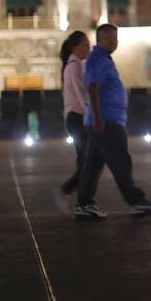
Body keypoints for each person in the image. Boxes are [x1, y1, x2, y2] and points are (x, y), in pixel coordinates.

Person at [75, 24, 151, 220]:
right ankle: (136, 201)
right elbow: (92, 88)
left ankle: (84, 203)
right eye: (111, 39)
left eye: (116, 38)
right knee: (121, 161)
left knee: (93, 165)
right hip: (107, 121)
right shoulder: (98, 59)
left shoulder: (102, 59)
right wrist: (98, 118)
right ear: (100, 40)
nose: (115, 43)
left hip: (103, 121)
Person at [52, 30, 90, 214]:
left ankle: (84, 202)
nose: (88, 48)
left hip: (75, 118)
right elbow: (81, 93)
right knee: (89, 161)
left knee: (85, 160)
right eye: (85, 44)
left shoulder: (73, 65)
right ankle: (65, 191)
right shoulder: (74, 66)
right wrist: (93, 117)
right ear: (75, 47)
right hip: (78, 118)